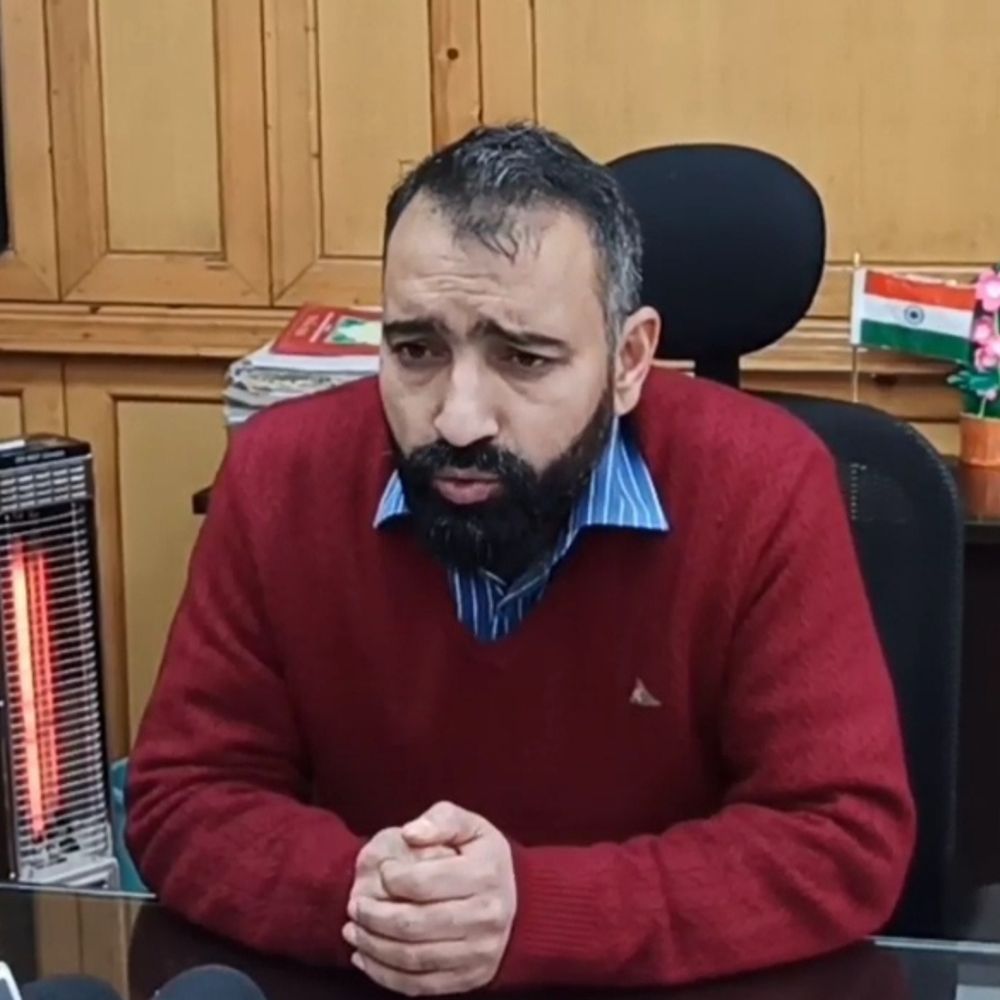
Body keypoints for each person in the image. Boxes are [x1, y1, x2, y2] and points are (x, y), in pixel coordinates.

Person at [127, 123, 915, 995]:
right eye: (417, 350)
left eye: (523, 357)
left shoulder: (765, 485)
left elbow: (842, 839)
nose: (458, 419)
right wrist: (374, 902)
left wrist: (536, 914)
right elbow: (184, 797)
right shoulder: (281, 476)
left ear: (628, 360)